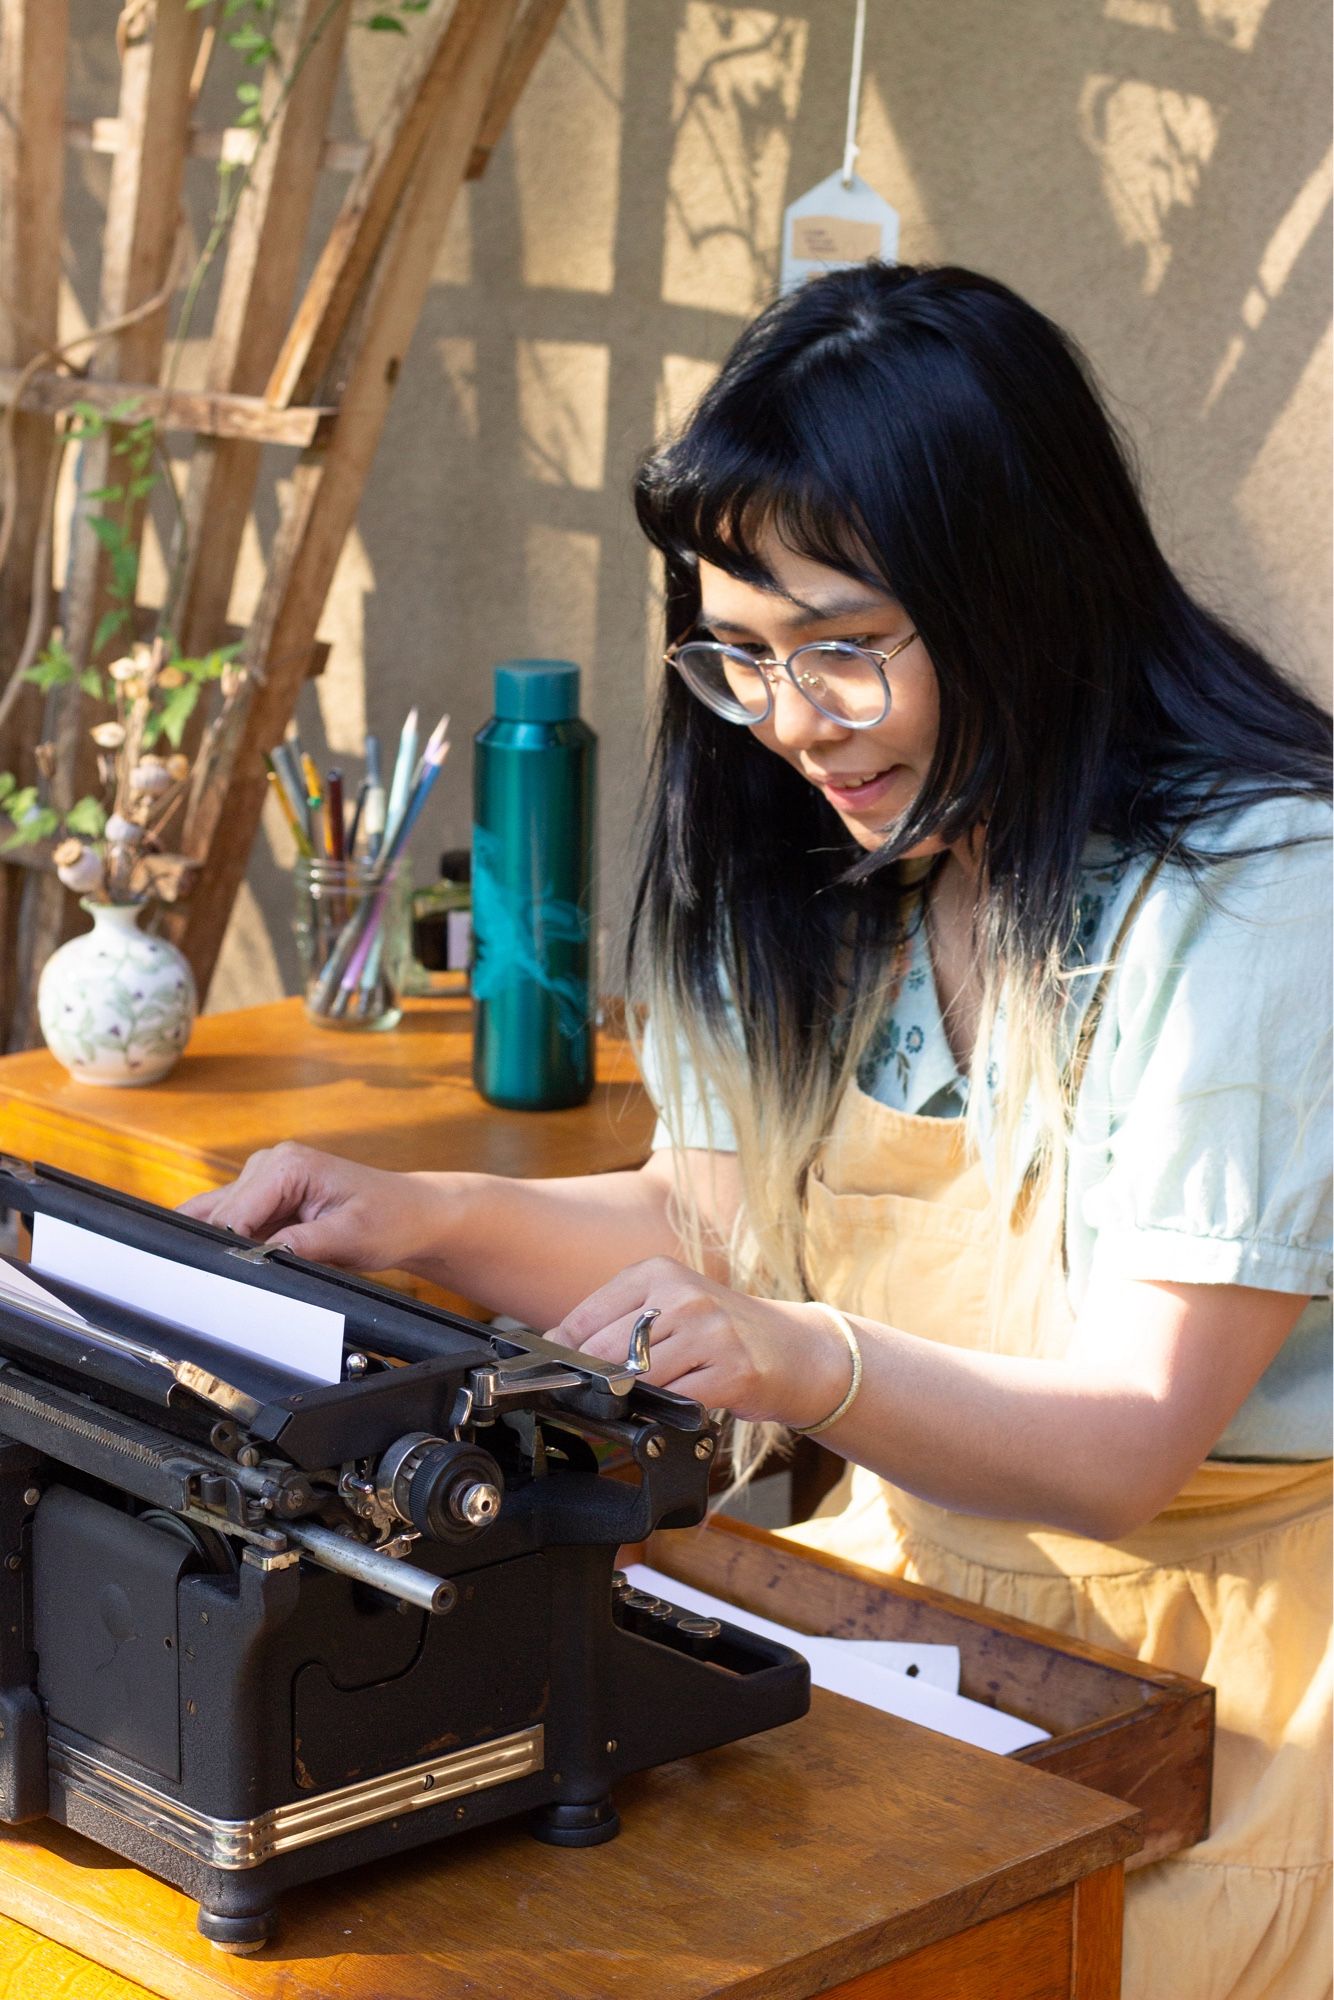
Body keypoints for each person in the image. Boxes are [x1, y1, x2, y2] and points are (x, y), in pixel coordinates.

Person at [184, 264, 1331, 2000]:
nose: (791, 722)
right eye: (742, 655)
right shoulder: (800, 858)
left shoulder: (1257, 901)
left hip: (1246, 1679)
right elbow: (708, 1237)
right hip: (903, 1627)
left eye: (846, 649)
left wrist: (801, 1361)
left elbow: (1123, 1447)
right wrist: (408, 1214)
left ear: (1022, 592)